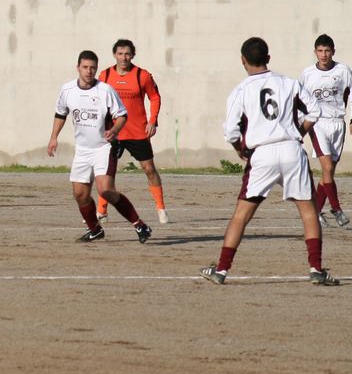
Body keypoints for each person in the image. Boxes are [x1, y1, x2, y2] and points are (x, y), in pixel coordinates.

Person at [201, 37, 339, 285]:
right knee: (308, 212)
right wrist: (299, 132)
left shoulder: (241, 90)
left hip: (262, 153)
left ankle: (221, 270)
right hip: (291, 150)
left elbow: (231, 131)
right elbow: (314, 111)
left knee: (241, 215)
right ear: (268, 58)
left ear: (243, 60)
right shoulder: (289, 83)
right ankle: (316, 269)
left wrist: (239, 150)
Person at [47, 50, 152, 243]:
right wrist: (54, 137)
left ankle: (139, 225)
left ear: (96, 69)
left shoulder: (105, 91)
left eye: (92, 68)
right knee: (80, 194)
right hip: (82, 149)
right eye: (85, 67)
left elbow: (122, 115)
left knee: (106, 190)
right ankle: (94, 229)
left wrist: (115, 130)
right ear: (78, 68)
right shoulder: (67, 90)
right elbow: (61, 113)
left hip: (104, 148)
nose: (89, 71)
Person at [96, 39, 169, 224]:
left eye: (127, 54)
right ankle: (101, 211)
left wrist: (152, 122)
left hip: (137, 131)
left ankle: (161, 209)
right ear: (114, 55)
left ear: (133, 55)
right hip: (113, 132)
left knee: (149, 169)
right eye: (120, 54)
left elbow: (155, 97)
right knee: (107, 173)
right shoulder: (105, 75)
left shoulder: (142, 75)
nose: (124, 58)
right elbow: (97, 100)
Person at [299, 34, 352, 228]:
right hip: (318, 124)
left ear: (333, 52)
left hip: (337, 123)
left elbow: (351, 95)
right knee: (327, 167)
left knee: (328, 173)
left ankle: (316, 212)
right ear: (315, 52)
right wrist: (300, 124)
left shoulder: (343, 71)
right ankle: (336, 209)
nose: (324, 55)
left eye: (327, 51)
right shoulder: (307, 74)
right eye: (320, 51)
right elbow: (299, 100)